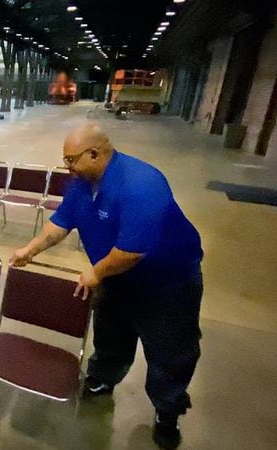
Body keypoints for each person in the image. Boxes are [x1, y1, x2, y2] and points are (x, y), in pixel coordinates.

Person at [11, 124, 203, 450]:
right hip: (117, 277)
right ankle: (103, 379)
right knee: (111, 333)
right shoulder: (82, 183)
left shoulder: (142, 184)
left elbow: (132, 252)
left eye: (71, 160)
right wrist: (30, 250)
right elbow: (61, 223)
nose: (67, 168)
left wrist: (95, 273)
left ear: (95, 153)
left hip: (167, 282)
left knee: (169, 349)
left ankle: (167, 410)